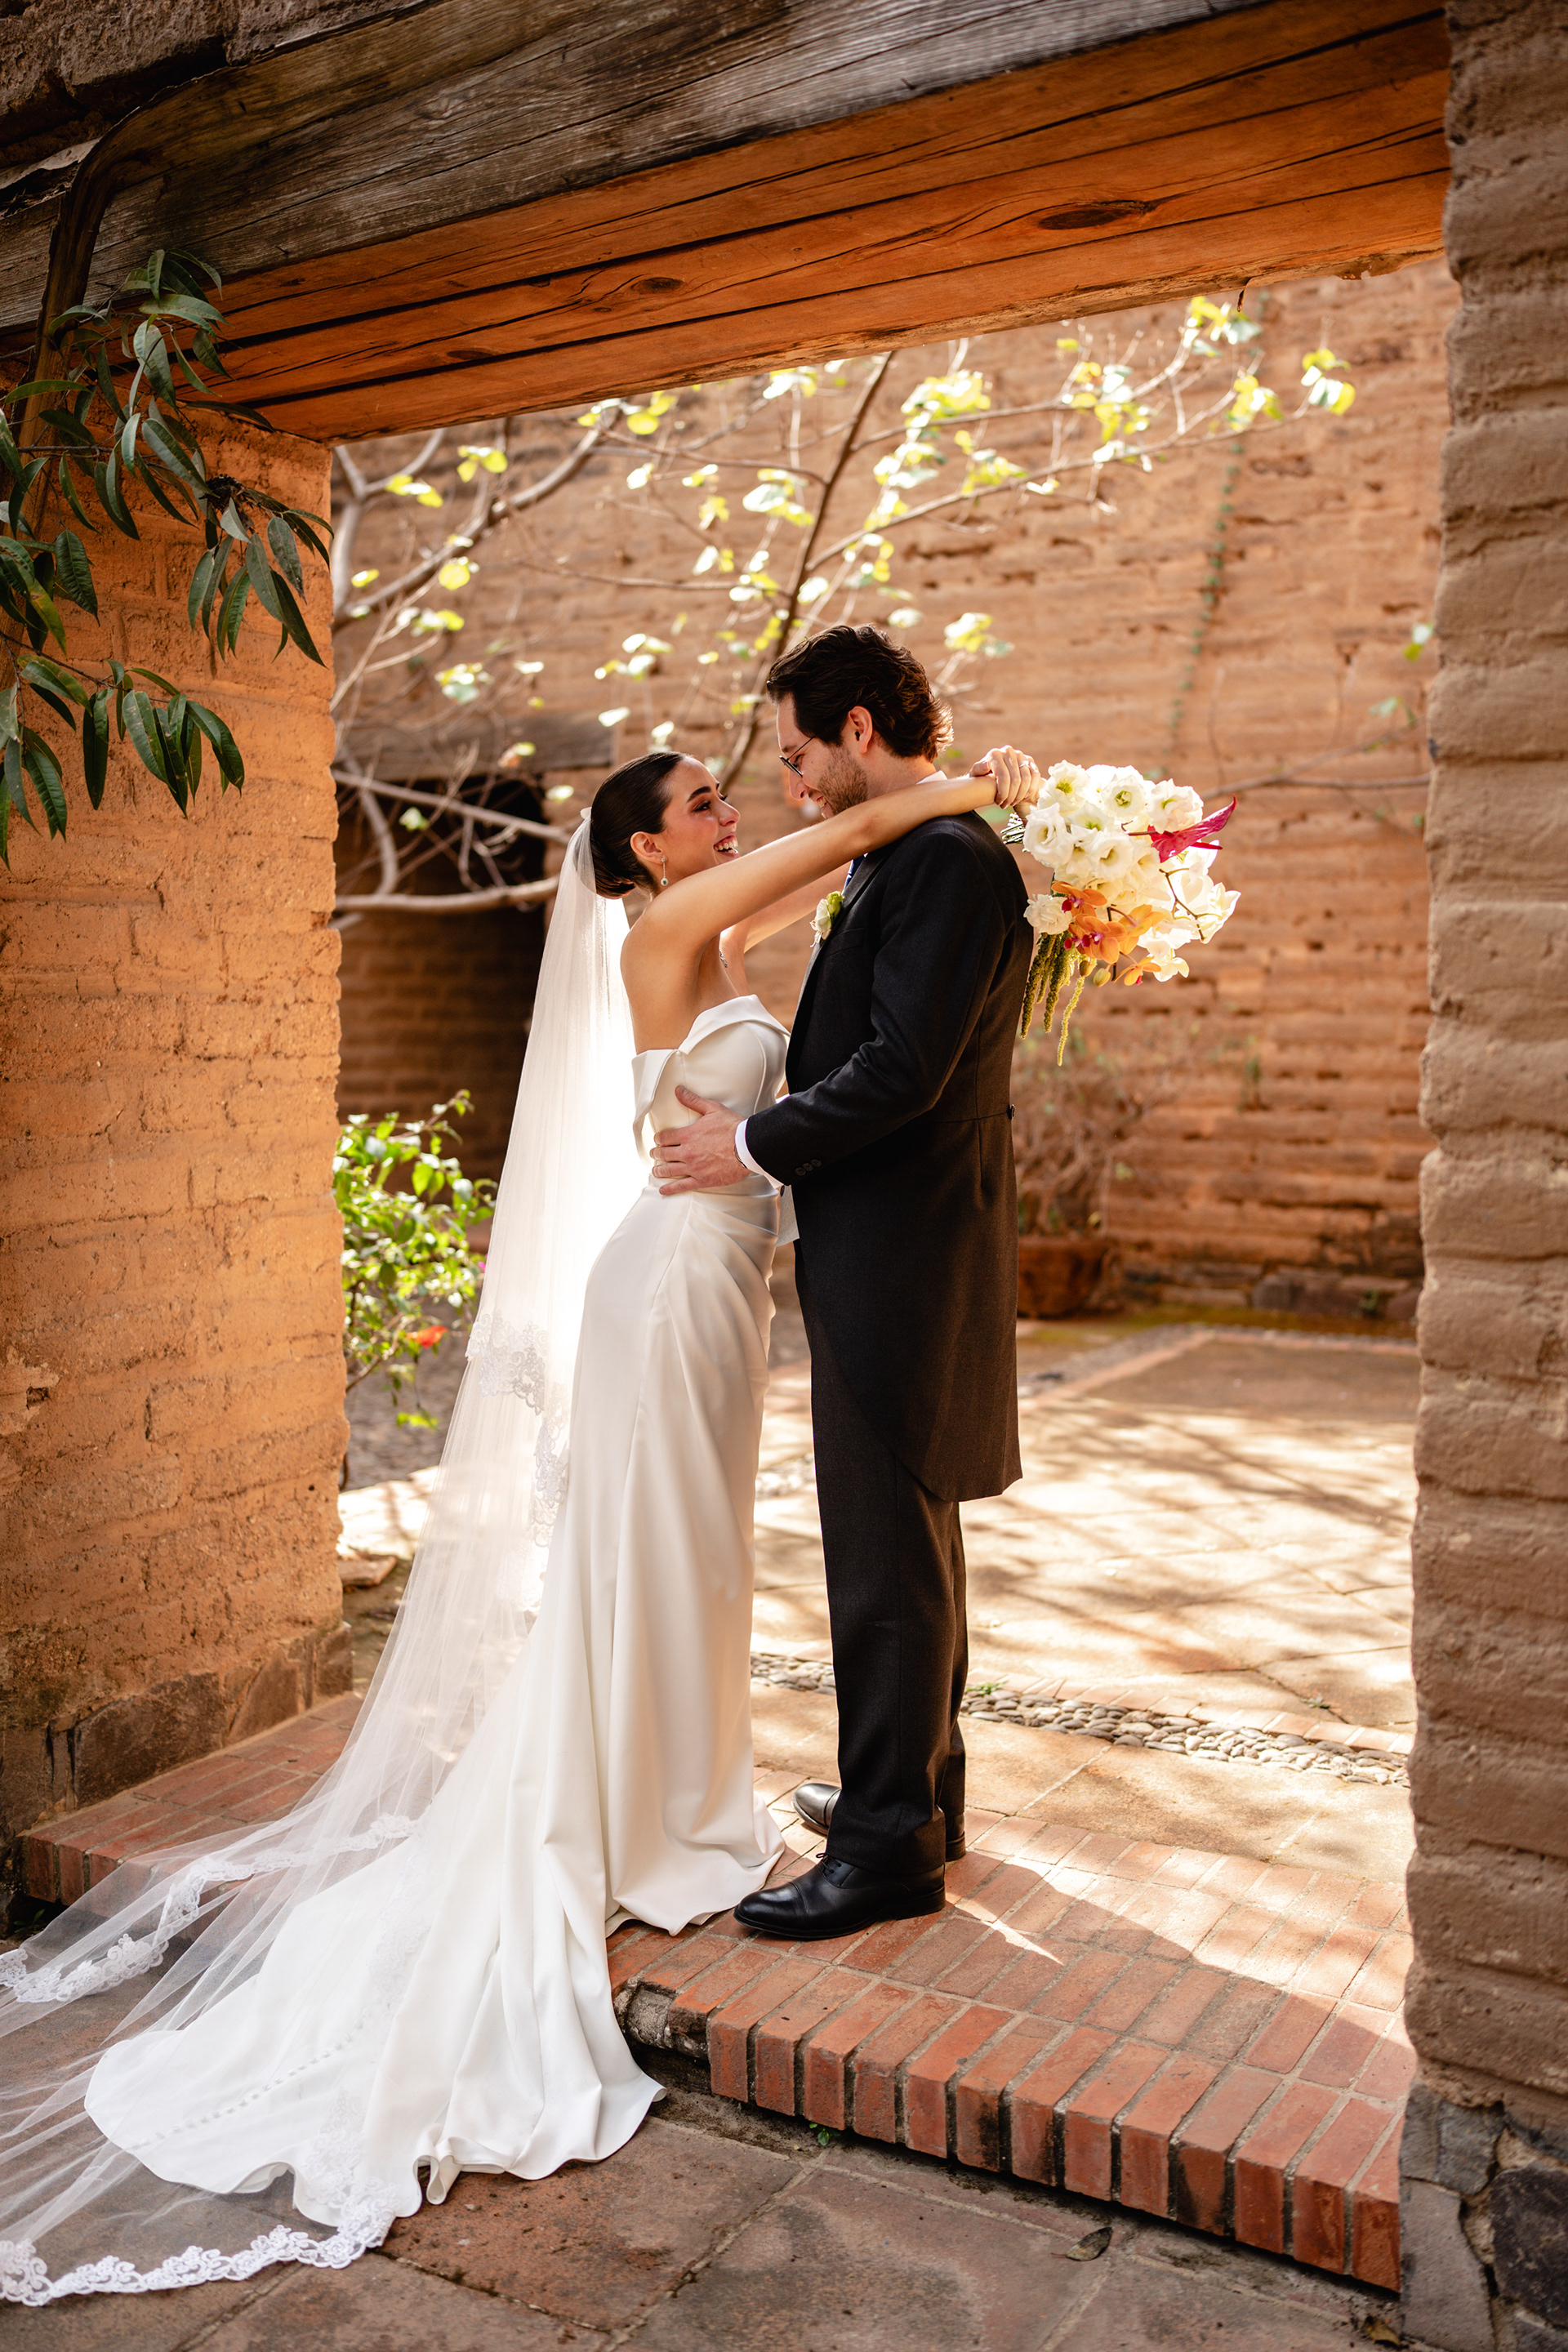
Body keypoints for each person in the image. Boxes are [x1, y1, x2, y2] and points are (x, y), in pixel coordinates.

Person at [0, 727, 1037, 2307]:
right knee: (658, 1556)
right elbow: (843, 843)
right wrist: (982, 788)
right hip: (671, 1283)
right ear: (643, 854)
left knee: (693, 1565)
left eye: (726, 794)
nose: (729, 809)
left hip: (718, 1286)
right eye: (700, 803)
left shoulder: (717, 937)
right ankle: (646, 1814)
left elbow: (838, 921)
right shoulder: (665, 928)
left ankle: (678, 1794)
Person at [652, 626, 1035, 1941]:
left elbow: (903, 1069)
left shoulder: (941, 860)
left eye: (798, 751)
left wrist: (751, 1142)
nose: (793, 779)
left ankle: (885, 1851)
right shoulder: (915, 849)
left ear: (858, 729)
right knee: (911, 1537)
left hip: (903, 1246)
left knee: (883, 1554)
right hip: (902, 1236)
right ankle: (917, 1793)